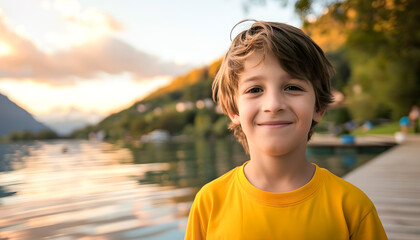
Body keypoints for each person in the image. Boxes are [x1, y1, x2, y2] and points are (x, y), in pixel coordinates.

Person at [184, 20, 387, 239]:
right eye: (254, 89)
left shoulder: (352, 208)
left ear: (318, 107)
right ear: (234, 110)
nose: (273, 105)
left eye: (292, 87)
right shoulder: (209, 203)